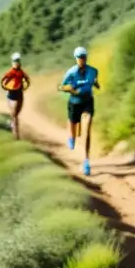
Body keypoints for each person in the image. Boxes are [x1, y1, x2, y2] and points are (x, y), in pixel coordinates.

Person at [59, 46, 100, 176]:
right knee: (74, 127)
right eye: (79, 58)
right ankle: (71, 137)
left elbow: (95, 81)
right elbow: (62, 86)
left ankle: (86, 161)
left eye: (83, 57)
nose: (81, 60)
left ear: (86, 58)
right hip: (75, 103)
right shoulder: (71, 72)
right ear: (76, 59)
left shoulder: (93, 71)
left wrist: (96, 84)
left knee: (87, 131)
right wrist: (69, 89)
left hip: (87, 102)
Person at [0, 52, 31, 139]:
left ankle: (11, 125)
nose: (17, 62)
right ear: (12, 62)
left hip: (19, 94)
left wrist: (24, 87)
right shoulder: (10, 73)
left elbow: (27, 80)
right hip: (11, 95)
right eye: (15, 61)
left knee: (16, 114)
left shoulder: (21, 73)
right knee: (15, 115)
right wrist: (7, 88)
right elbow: (3, 81)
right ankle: (16, 135)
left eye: (18, 60)